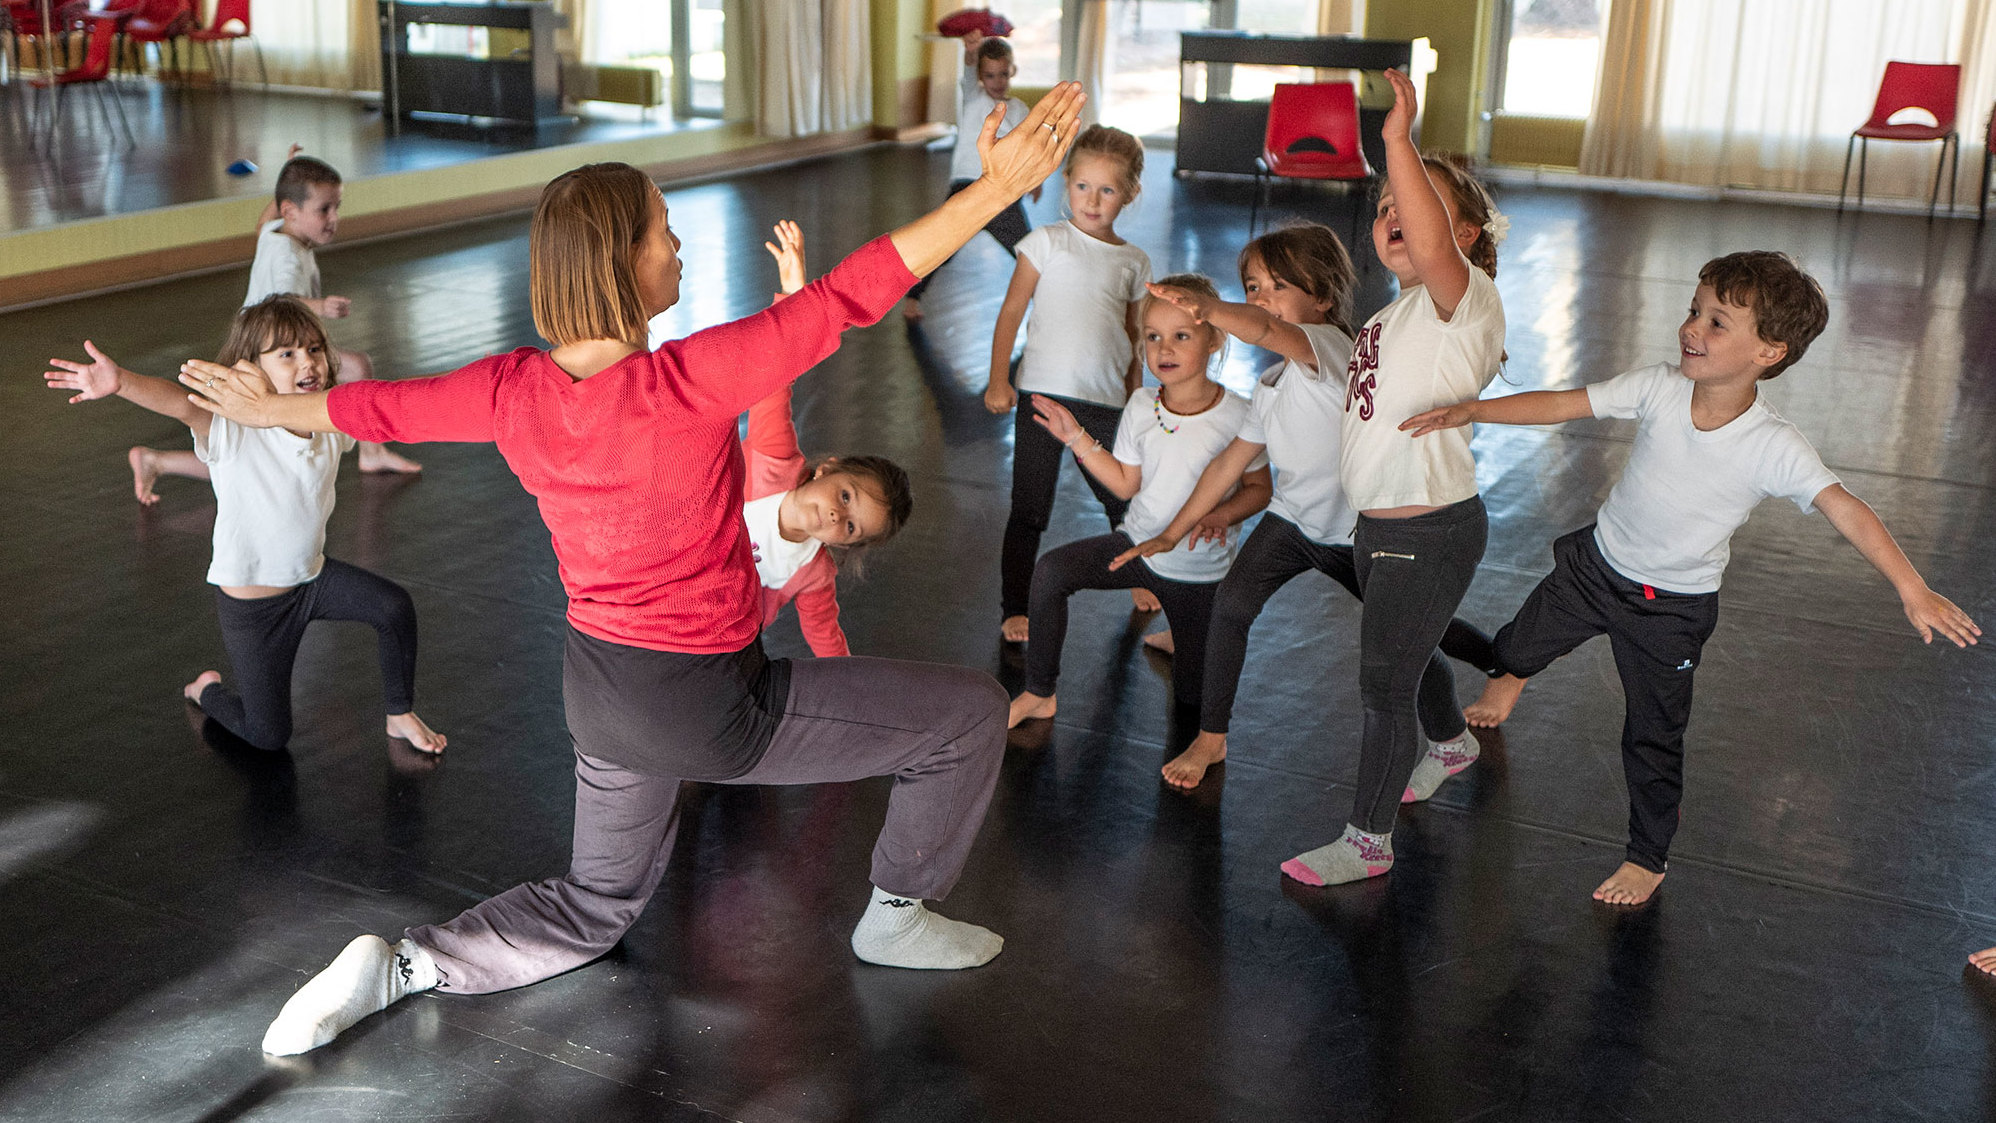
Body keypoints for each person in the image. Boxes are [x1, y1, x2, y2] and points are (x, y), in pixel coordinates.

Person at [177, 82, 1088, 1056]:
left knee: (597, 901)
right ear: (621, 258)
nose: (679, 245)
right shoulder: (692, 381)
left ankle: (407, 964)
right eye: (663, 231)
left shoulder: (512, 390)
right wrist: (994, 191)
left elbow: (383, 409)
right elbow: (853, 293)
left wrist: (270, 411)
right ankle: (898, 910)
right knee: (961, 715)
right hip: (707, 702)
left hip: (600, 693)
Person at [1401, 250, 1980, 906]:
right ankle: (1513, 674)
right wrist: (1472, 410)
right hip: (1595, 567)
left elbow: (1844, 506)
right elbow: (1567, 402)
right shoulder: (1659, 386)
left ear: (1770, 351)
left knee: (1652, 736)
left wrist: (1912, 586)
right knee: (1509, 650)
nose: (1692, 328)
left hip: (1669, 609)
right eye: (1693, 311)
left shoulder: (1773, 445)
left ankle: (1648, 857)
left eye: (1717, 322)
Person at [1115, 223, 1497, 790]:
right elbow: (1228, 464)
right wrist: (1175, 532)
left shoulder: (1332, 351)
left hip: (1353, 533)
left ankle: (1467, 712)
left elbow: (1269, 329)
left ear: (1320, 297)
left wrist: (1211, 307)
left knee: (1408, 644)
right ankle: (1211, 737)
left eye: (1277, 286)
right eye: (1251, 286)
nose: (1260, 299)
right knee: (1233, 607)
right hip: (1291, 523)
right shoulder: (1271, 383)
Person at [1278, 69, 1508, 889]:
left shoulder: (1462, 300)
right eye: (1382, 209)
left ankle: (1367, 841)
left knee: (1382, 686)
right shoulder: (1389, 315)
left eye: (1410, 203)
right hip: (1380, 527)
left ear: (1467, 235)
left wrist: (1397, 142)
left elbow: (1433, 241)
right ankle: (1451, 742)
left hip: (1427, 527)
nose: (1392, 217)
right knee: (1406, 655)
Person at [44, 297, 447, 755]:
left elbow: (388, 410)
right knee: (268, 736)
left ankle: (399, 714)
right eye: (287, 354)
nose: (308, 362)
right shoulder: (235, 428)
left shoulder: (329, 419)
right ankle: (205, 692)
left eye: (314, 349)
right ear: (249, 370)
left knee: (394, 607)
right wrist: (121, 383)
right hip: (255, 607)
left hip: (311, 578)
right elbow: (181, 404)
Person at [1006, 274, 1271, 729]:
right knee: (1051, 572)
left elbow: (1259, 490)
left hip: (1199, 575)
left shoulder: (1241, 414)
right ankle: (1039, 691)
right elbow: (1127, 485)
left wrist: (1222, 514)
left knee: (1190, 705)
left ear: (1215, 340)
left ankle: (1181, 638)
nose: (1164, 349)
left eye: (1181, 336)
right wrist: (1077, 438)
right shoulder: (1141, 404)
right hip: (1136, 548)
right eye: (1153, 337)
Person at [127, 151, 420, 506]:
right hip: (265, 354)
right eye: (324, 209)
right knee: (263, 444)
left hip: (263, 350)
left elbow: (264, 219)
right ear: (291, 213)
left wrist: (288, 176)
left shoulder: (274, 231)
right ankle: (371, 453)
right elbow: (282, 299)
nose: (334, 218)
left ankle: (158, 460)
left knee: (251, 451)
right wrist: (322, 306)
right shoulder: (286, 256)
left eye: (336, 207)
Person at [986, 124, 1154, 643]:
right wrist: (999, 379)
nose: (1093, 200)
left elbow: (1133, 335)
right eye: (1083, 186)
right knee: (1030, 509)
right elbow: (1012, 312)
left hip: (1105, 401)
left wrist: (1137, 398)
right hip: (1040, 394)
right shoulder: (1045, 243)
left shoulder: (1133, 261)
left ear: (1129, 194)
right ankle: (1015, 605)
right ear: (1066, 184)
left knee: (1121, 502)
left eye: (1107, 190)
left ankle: (1137, 572)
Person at [746, 221, 915, 658]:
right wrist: (795, 298)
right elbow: (775, 378)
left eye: (852, 527)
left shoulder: (813, 572)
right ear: (827, 468)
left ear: (845, 544)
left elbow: (826, 638)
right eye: (845, 495)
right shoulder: (772, 459)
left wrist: (852, 698)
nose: (837, 517)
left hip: (716, 639)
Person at [901, 28, 1040, 321]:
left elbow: (1029, 148)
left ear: (1012, 71)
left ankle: (1046, 301)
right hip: (967, 188)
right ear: (980, 76)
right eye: (990, 75)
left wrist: (1035, 180)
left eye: (1003, 74)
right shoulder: (973, 99)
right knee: (942, 248)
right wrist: (970, 52)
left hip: (1001, 193)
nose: (997, 82)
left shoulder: (1019, 109)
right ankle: (912, 298)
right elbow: (966, 70)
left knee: (1028, 251)